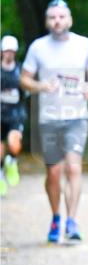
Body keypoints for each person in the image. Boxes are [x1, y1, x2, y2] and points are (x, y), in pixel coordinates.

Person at [20, 0, 88, 244]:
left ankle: (72, 222)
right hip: (49, 119)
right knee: (54, 173)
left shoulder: (83, 44)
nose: (57, 21)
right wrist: (40, 85)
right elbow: (24, 79)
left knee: (74, 168)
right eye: (53, 17)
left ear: (69, 19)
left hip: (77, 116)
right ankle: (56, 216)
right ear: (47, 21)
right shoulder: (38, 48)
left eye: (61, 17)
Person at [1, 35, 26, 196]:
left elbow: (27, 92)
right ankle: (1, 175)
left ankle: (12, 161)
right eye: (6, 51)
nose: (9, 54)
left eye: (12, 51)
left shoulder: (20, 71)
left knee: (14, 144)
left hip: (15, 113)